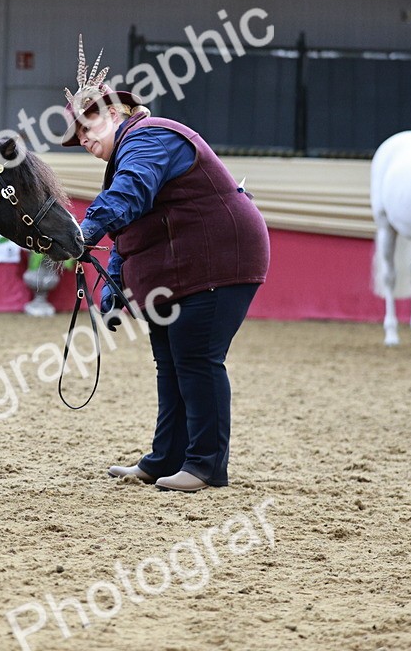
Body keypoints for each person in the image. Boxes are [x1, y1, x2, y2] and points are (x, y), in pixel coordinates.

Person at [62, 38, 269, 493]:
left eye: (88, 126)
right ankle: (165, 460)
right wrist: (114, 287)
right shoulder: (133, 150)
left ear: (114, 113)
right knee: (172, 363)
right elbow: (130, 226)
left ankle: (206, 467)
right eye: (78, 137)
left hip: (216, 264)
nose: (85, 141)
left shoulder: (149, 137)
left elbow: (128, 196)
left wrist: (81, 234)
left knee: (196, 359)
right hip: (186, 270)